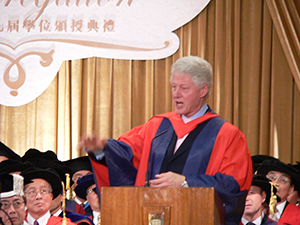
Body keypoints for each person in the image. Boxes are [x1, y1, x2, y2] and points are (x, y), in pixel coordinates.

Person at [79, 55, 253, 225]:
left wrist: (185, 182)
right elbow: (126, 155)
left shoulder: (227, 134)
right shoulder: (157, 126)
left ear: (203, 90)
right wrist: (102, 149)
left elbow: (233, 185)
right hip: (147, 217)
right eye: (174, 87)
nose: (176, 94)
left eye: (184, 88)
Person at [257, 158, 300, 224]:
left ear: (291, 189)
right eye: (271, 177)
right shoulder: (250, 210)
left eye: (282, 180)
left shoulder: (298, 215)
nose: (275, 183)